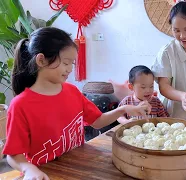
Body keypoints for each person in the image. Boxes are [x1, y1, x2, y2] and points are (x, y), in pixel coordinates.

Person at [2, 27, 151, 180]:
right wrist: (28, 169)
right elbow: (13, 156)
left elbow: (98, 121)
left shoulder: (71, 91)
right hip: (46, 174)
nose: (70, 69)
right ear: (41, 60)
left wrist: (124, 109)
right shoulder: (21, 105)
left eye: (72, 64)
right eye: (66, 63)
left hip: (77, 167)